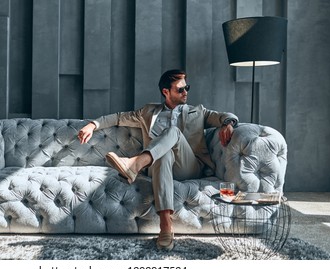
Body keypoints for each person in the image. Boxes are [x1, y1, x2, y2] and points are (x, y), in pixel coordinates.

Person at [77, 69, 238, 250]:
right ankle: (165, 226)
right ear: (165, 92)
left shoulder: (198, 112)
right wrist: (92, 125)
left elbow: (225, 116)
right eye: (180, 90)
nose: (186, 92)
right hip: (158, 166)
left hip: (189, 166)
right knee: (164, 154)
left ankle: (134, 164)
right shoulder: (148, 112)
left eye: (187, 88)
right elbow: (119, 117)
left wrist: (228, 124)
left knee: (173, 132)